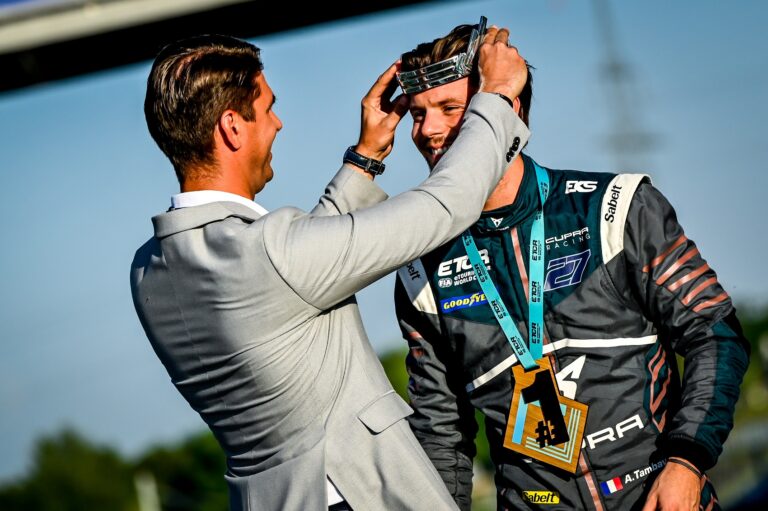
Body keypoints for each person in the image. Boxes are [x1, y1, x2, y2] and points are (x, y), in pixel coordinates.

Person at [131, 26, 532, 511]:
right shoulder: (268, 254)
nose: (278, 124)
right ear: (232, 127)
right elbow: (447, 203)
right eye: (268, 108)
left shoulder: (150, 269)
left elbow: (295, 277)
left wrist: (365, 159)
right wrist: (495, 98)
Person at [393, 21, 750, 511]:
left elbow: (714, 333)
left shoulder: (615, 208)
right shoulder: (421, 272)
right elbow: (440, 437)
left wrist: (686, 462)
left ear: (507, 108)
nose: (428, 130)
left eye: (449, 109)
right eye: (417, 114)